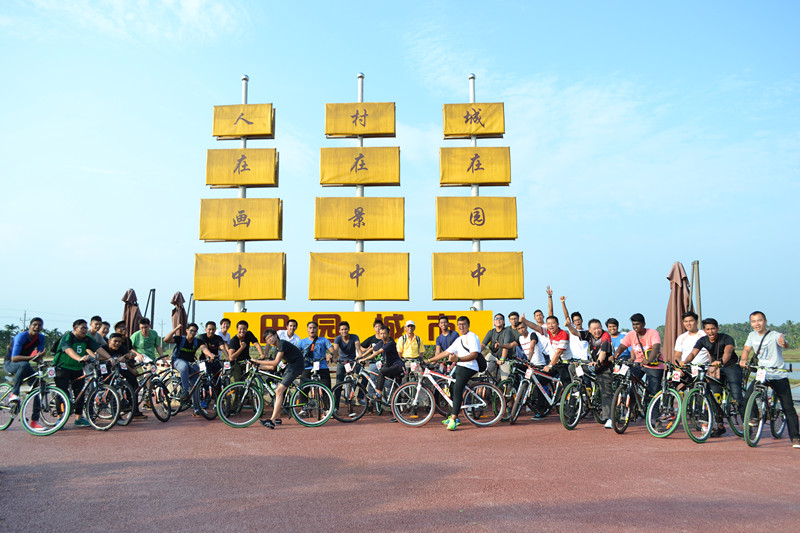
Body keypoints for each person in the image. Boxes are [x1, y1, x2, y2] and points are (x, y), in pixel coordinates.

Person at [739, 311, 799, 448]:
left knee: (788, 407)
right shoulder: (751, 336)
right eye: (754, 321)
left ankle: (796, 437)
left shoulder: (775, 335)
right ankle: (754, 417)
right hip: (762, 374)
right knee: (748, 396)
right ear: (751, 323)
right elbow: (746, 349)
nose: (757, 324)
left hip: (778, 374)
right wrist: (743, 359)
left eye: (759, 320)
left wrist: (784, 343)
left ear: (765, 321)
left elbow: (785, 344)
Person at [683, 318, 740, 437]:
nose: (711, 331)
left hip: (730, 366)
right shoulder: (702, 340)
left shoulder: (727, 338)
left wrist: (720, 362)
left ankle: (748, 424)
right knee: (714, 396)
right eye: (708, 329)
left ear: (717, 329)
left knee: (737, 395)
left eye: (713, 329)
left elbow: (728, 353)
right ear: (704, 330)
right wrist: (685, 362)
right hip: (715, 368)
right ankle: (720, 425)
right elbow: (693, 353)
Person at [52, 319, 113, 427]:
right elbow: (68, 350)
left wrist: (110, 358)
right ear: (75, 328)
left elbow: (98, 348)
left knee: (80, 393)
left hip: (77, 368)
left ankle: (79, 419)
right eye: (82, 328)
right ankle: (59, 418)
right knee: (62, 392)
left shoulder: (87, 339)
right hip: (62, 367)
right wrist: (79, 358)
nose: (85, 330)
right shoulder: (68, 337)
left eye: (86, 328)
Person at [428, 316, 481, 431]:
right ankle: (454, 415)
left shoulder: (472, 336)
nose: (461, 327)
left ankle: (453, 420)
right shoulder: (459, 339)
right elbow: (446, 353)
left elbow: (474, 355)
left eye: (464, 324)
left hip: (469, 366)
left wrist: (458, 359)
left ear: (468, 325)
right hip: (460, 366)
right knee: (451, 387)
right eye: (459, 324)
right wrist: (429, 360)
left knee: (457, 389)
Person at [254, 328, 306, 429]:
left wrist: (257, 361)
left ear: (275, 335)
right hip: (290, 366)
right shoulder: (276, 349)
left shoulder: (282, 343)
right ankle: (277, 418)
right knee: (278, 391)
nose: (269, 340)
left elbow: (275, 362)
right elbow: (272, 367)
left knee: (279, 391)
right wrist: (257, 366)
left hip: (296, 366)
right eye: (267, 339)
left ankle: (272, 421)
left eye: (270, 337)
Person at [613, 313, 663, 402]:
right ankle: (634, 405)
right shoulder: (631, 334)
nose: (635, 327)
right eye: (633, 324)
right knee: (630, 383)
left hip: (654, 365)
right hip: (638, 363)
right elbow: (622, 347)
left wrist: (649, 360)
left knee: (654, 391)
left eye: (638, 324)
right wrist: (615, 356)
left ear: (644, 324)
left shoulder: (653, 333)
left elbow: (656, 348)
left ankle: (654, 410)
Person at [357, 325, 403, 405]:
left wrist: (364, 359)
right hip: (390, 366)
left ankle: (378, 395)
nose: (382, 335)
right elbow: (372, 349)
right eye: (381, 334)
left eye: (384, 334)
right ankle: (394, 406)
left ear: (388, 334)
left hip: (397, 366)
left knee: (382, 372)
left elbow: (377, 352)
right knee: (391, 384)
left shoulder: (390, 343)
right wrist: (361, 356)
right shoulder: (382, 342)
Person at [104, 333, 147, 419]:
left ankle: (133, 408)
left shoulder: (121, 348)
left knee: (133, 381)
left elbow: (126, 357)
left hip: (118, 367)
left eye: (119, 342)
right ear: (109, 341)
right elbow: (97, 357)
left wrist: (131, 357)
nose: (117, 343)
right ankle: (115, 413)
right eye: (115, 341)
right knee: (112, 386)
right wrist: (114, 359)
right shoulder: (104, 348)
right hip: (104, 368)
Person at [4, 317, 45, 402]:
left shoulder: (41, 338)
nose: (37, 327)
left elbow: (38, 356)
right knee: (24, 364)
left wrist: (40, 357)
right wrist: (33, 357)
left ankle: (37, 410)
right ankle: (14, 394)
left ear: (42, 328)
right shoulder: (21, 337)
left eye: (39, 325)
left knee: (40, 384)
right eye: (34, 325)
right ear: (29, 326)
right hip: (10, 363)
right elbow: (14, 358)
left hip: (24, 366)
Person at [582, 319, 614, 428]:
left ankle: (610, 418)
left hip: (604, 367)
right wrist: (569, 326)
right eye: (594, 329)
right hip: (594, 365)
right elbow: (575, 332)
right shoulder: (588, 335)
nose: (597, 331)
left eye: (599, 328)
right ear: (590, 330)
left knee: (606, 392)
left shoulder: (605, 336)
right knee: (573, 368)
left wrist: (597, 362)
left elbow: (603, 352)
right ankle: (578, 390)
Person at [298, 321, 334, 389]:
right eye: (310, 328)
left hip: (322, 367)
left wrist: (330, 354)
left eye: (314, 328)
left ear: (317, 329)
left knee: (327, 389)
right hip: (308, 367)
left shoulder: (323, 340)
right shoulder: (301, 342)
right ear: (307, 329)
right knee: (302, 389)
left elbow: (332, 349)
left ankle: (326, 396)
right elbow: (296, 352)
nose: (312, 330)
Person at [482, 313, 514, 380]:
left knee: (505, 380)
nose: (498, 320)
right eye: (496, 319)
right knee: (482, 372)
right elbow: (483, 345)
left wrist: (502, 359)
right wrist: (475, 354)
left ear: (504, 322)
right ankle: (482, 386)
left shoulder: (507, 332)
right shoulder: (491, 332)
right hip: (493, 356)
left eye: (500, 319)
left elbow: (506, 347)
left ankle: (505, 386)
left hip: (505, 358)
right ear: (494, 322)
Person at [332, 321, 362, 391]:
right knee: (338, 382)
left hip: (352, 361)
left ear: (348, 329)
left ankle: (359, 395)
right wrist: (334, 358)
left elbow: (358, 348)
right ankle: (336, 398)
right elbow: (335, 350)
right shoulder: (338, 338)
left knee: (363, 375)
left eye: (345, 329)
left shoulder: (354, 337)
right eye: (342, 329)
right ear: (339, 331)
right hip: (342, 361)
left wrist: (360, 356)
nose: (344, 331)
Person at [560, 297, 589, 361]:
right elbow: (567, 317)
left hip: (585, 359)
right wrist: (563, 303)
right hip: (574, 358)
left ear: (582, 320)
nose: (578, 321)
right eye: (575, 320)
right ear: (573, 323)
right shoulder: (572, 329)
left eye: (579, 319)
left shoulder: (587, 333)